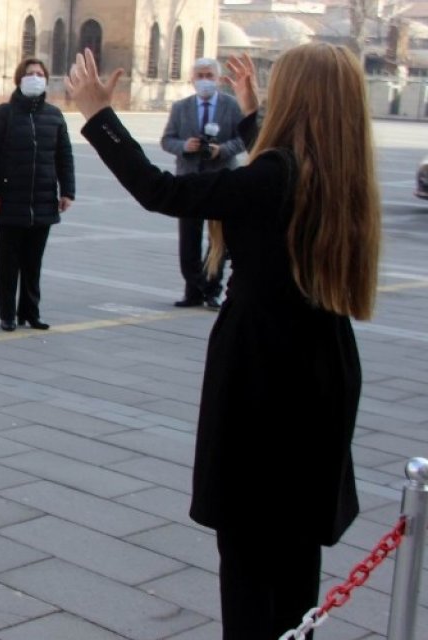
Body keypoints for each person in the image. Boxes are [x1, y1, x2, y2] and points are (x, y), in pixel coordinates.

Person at [67, 45, 379, 640]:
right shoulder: (341, 176)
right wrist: (256, 116)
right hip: (321, 368)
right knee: (293, 556)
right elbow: (283, 170)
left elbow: (165, 192)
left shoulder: (271, 178)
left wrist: (98, 117)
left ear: (298, 100)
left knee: (247, 555)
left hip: (263, 373)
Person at [0, 57, 75, 332]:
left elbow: (64, 155)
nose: (35, 78)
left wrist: (68, 190)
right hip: (9, 200)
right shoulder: (2, 114)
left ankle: (30, 311)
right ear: (19, 80)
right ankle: (7, 313)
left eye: (40, 74)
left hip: (43, 200)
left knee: (33, 262)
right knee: (9, 262)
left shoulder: (54, 116)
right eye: (30, 74)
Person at [161, 58, 245, 310]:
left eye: (209, 75)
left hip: (221, 178)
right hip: (189, 178)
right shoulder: (181, 107)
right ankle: (193, 290)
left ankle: (212, 289)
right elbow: (167, 140)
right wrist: (185, 146)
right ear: (192, 79)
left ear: (218, 79)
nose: (205, 80)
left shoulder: (231, 106)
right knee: (189, 238)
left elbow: (243, 138)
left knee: (219, 239)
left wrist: (222, 149)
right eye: (200, 75)